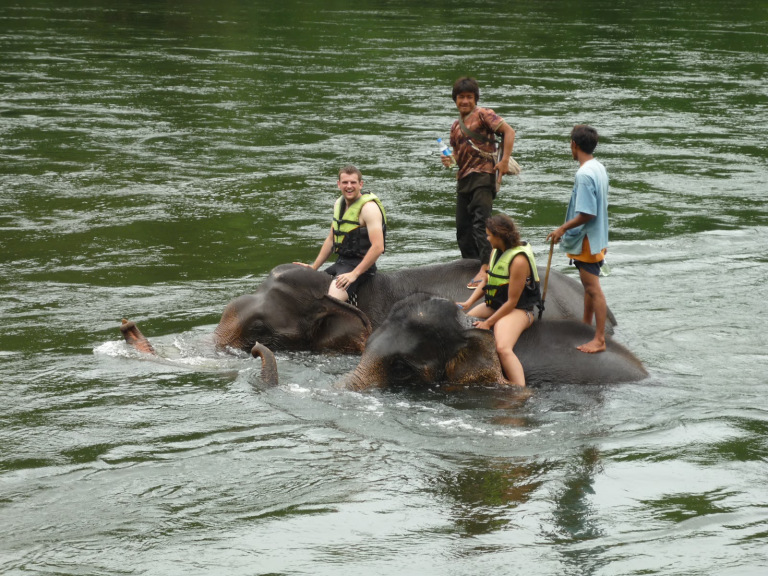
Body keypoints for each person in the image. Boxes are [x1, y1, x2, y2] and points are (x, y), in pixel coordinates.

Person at [441, 76, 517, 290]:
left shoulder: (483, 114)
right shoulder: (456, 126)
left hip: (483, 176)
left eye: (469, 97)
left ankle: (485, 268)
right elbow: (456, 156)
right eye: (461, 97)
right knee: (462, 228)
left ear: (475, 99)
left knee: (480, 223)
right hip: (464, 179)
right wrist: (449, 161)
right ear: (455, 99)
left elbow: (508, 132)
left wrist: (503, 162)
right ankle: (471, 264)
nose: (465, 101)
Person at [546, 125, 609, 353]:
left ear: (574, 144)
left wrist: (562, 229)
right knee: (589, 286)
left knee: (593, 289)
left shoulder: (584, 174)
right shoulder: (598, 167)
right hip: (598, 237)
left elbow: (587, 213)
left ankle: (599, 339)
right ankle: (586, 325)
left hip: (587, 239)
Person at [458, 214, 541, 387]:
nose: (487, 239)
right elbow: (488, 280)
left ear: (499, 236)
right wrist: (468, 303)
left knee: (503, 348)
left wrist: (488, 323)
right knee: (465, 322)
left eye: (489, 235)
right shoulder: (496, 252)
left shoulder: (518, 261)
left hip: (518, 309)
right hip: (496, 304)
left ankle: (520, 390)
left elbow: (512, 301)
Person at [294, 165, 386, 304]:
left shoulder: (369, 208)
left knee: (328, 302)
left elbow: (378, 247)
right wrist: (314, 268)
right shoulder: (339, 203)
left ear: (360, 184)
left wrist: (354, 274)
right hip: (341, 263)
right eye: (345, 182)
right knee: (304, 291)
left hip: (360, 268)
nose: (349, 186)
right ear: (339, 184)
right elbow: (331, 239)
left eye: (353, 182)